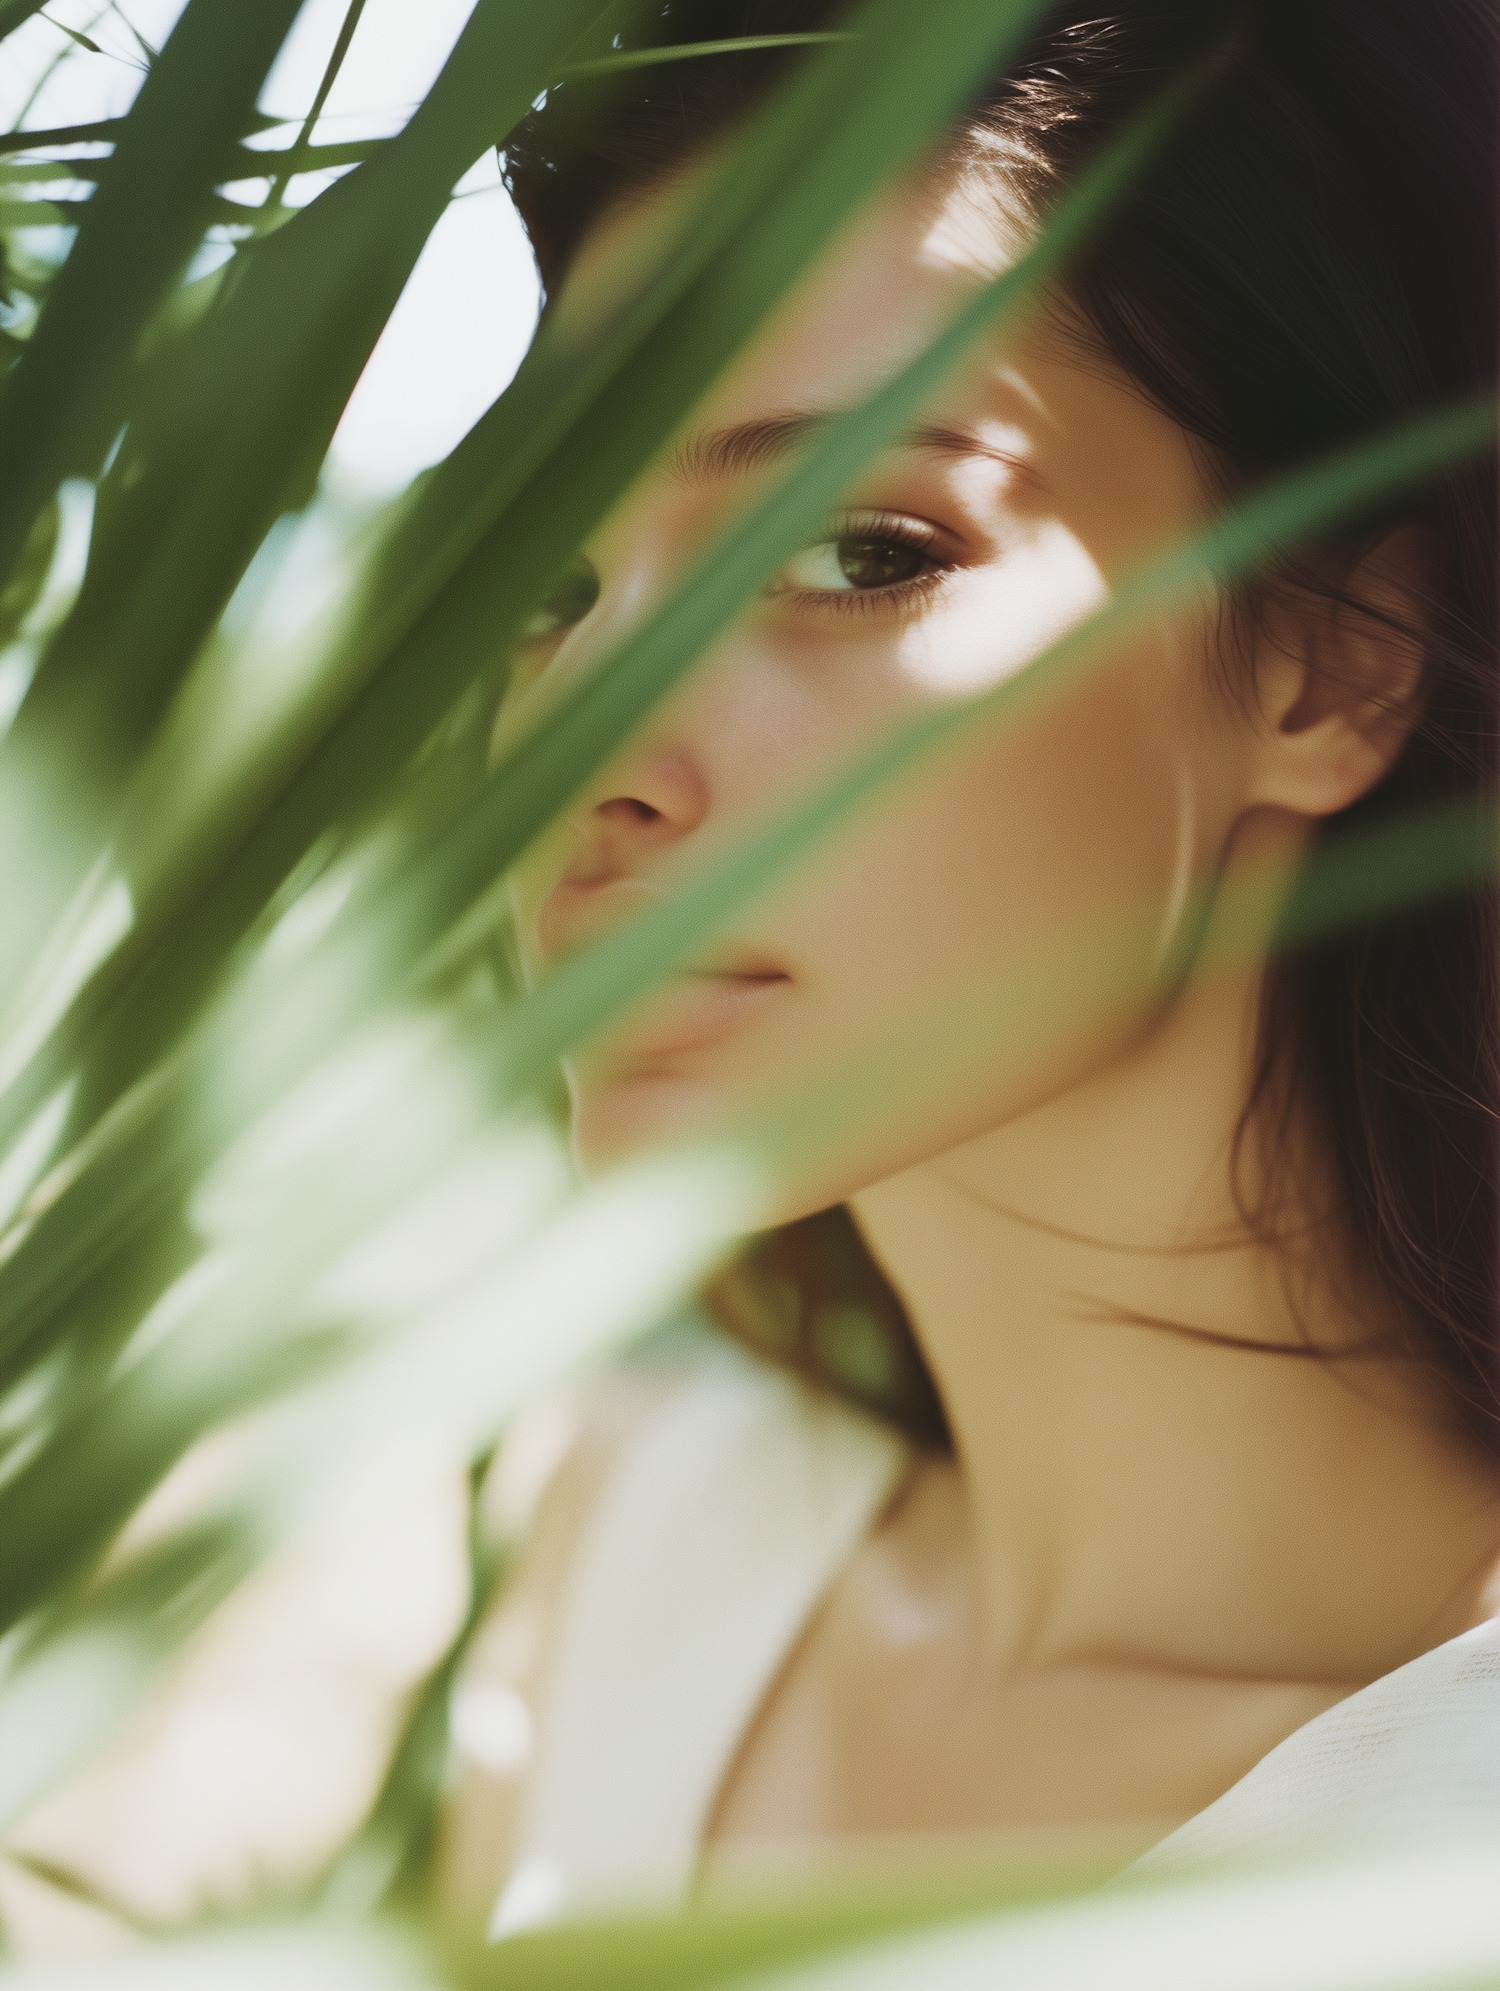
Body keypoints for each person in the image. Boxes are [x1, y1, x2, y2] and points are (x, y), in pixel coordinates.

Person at [432, 0, 1500, 1938]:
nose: (590, 743)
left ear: (1336, 655)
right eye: (553, 593)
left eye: (859, 546)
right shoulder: (631, 1545)